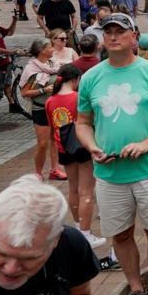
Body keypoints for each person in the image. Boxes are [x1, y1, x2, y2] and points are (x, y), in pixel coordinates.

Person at [74, 13, 148, 295]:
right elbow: (82, 122)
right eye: (107, 31)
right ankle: (136, 289)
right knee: (121, 234)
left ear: (134, 37)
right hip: (109, 173)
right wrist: (93, 146)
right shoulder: (91, 78)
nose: (112, 36)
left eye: (120, 31)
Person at [44, 64, 103, 249]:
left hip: (63, 148)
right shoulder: (78, 98)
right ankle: (86, 232)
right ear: (76, 79)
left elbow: (52, 127)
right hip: (82, 146)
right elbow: (87, 121)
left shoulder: (50, 101)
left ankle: (78, 225)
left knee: (73, 189)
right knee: (87, 191)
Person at [18, 38, 65, 181]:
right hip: (40, 109)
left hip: (55, 108)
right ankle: (38, 173)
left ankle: (55, 169)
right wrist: (43, 90)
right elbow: (24, 92)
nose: (53, 49)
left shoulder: (53, 64)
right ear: (42, 50)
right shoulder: (31, 69)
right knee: (43, 143)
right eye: (50, 47)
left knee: (55, 140)